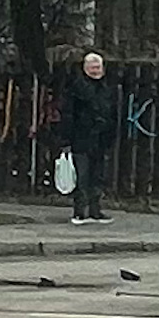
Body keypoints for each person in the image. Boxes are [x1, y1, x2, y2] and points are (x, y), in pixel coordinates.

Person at [61, 51, 119, 225]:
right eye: (92, 67)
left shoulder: (107, 88)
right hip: (81, 138)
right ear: (85, 68)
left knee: (98, 176)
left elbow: (112, 113)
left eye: (98, 67)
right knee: (82, 176)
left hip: (101, 139)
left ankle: (96, 210)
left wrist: (110, 134)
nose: (96, 70)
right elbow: (68, 114)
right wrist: (66, 139)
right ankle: (79, 212)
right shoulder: (76, 87)